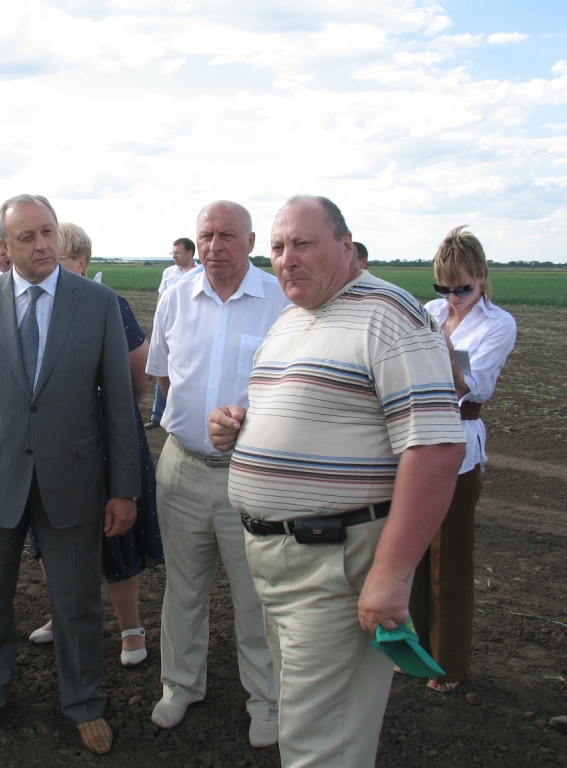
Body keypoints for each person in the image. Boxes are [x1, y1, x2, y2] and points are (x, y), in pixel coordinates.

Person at [210, 195, 466, 767]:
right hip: (276, 563)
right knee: (306, 722)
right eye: (278, 248)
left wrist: (391, 575)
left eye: (303, 244)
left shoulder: (388, 315)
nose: (286, 259)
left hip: (336, 566)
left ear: (347, 248)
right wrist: (237, 428)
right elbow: (312, 413)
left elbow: (436, 449)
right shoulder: (291, 319)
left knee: (320, 747)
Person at [0, 194, 139, 755]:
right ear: (4, 246)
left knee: (76, 603)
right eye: (27, 236)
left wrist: (123, 488)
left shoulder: (97, 303)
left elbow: (120, 405)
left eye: (47, 231)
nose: (42, 243)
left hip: (72, 480)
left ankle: (84, 703)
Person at [144, 202, 286, 746]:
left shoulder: (277, 300)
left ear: (250, 242)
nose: (215, 246)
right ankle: (180, 686)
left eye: (228, 236)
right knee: (182, 587)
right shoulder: (176, 297)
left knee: (255, 595)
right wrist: (190, 431)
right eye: (207, 235)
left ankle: (265, 700)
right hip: (181, 468)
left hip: (251, 474)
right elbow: (164, 377)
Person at [29, 221, 163, 668]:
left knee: (112, 535)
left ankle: (130, 629)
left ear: (81, 262)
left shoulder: (107, 304)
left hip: (102, 439)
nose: (45, 259)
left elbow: (138, 374)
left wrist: (110, 411)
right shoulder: (26, 305)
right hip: (45, 443)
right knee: (49, 533)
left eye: (60, 254)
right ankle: (62, 615)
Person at [409, 227, 517, 692]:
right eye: (443, 287)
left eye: (462, 288)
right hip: (415, 440)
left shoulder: (499, 324)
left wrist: (436, 354)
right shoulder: (431, 312)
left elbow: (472, 384)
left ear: (482, 277)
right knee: (409, 553)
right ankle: (412, 652)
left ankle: (448, 664)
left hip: (459, 443)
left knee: (448, 559)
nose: (451, 298)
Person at [145, 237, 201, 429]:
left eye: (177, 252)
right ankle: (157, 415)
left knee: (181, 370)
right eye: (173, 253)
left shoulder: (201, 273)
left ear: (190, 253)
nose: (174, 256)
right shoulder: (169, 273)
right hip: (168, 327)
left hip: (190, 329)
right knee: (163, 368)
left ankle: (182, 413)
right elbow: (161, 298)